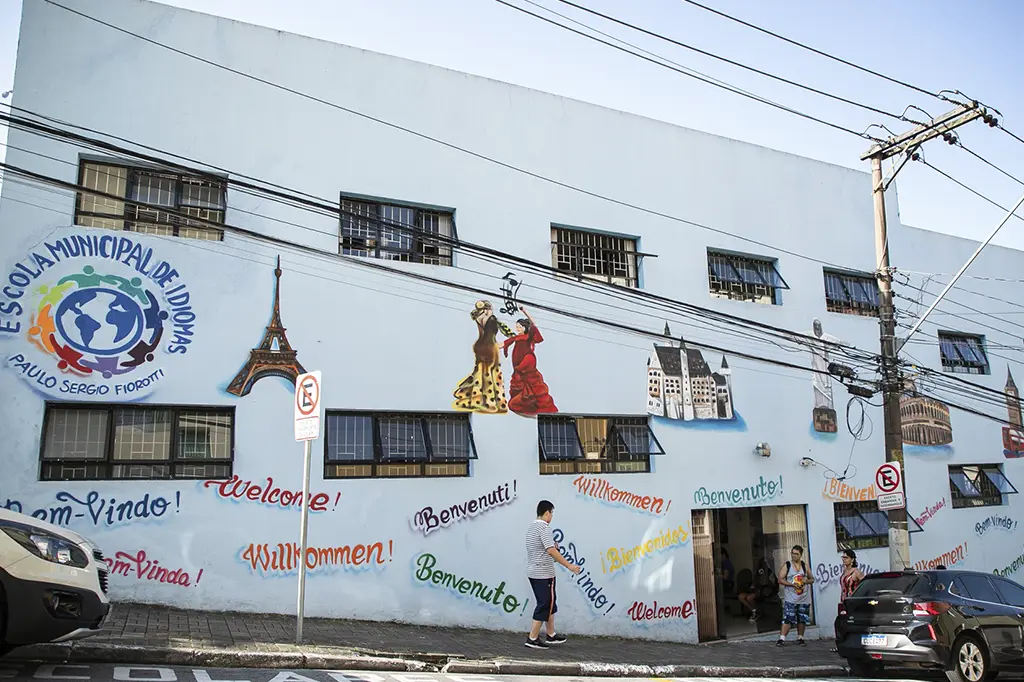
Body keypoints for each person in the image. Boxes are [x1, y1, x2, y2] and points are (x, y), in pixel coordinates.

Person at [524, 500, 581, 649]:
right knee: (544, 604)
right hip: (543, 573)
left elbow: (542, 548)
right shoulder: (544, 528)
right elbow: (550, 550)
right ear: (547, 512)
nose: (552, 516)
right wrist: (569, 565)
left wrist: (552, 546)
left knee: (550, 603)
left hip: (534, 571)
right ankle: (532, 638)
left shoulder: (532, 527)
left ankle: (551, 635)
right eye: (552, 513)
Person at [453, 300, 514, 414]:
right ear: (487, 310)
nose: (492, 311)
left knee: (480, 372)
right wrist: (505, 343)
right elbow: (509, 332)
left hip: (479, 346)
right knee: (492, 374)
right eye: (490, 309)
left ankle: (477, 399)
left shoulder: (477, 318)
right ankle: (491, 402)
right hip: (490, 347)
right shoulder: (492, 320)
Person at [502, 306, 558, 415]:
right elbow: (505, 343)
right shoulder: (516, 338)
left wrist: (524, 312)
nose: (517, 329)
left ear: (524, 328)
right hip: (519, 369)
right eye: (516, 327)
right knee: (521, 392)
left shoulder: (528, 337)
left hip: (527, 365)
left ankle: (537, 408)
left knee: (533, 389)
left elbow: (533, 324)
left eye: (519, 327)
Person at [777, 544, 814, 646]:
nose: (794, 556)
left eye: (796, 554)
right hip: (791, 598)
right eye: (792, 553)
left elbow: (812, 579)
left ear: (800, 555)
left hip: (803, 597)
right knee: (788, 618)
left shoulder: (804, 566)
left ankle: (800, 637)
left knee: (802, 618)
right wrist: (791, 585)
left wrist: (805, 581)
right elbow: (780, 579)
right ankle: (782, 638)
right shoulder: (787, 565)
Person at [833, 549, 864, 651]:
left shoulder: (856, 572)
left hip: (852, 601)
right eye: (843, 557)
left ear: (852, 559)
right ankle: (841, 643)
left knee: (850, 622)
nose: (844, 560)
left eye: (846, 558)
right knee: (840, 622)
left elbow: (864, 584)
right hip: (843, 600)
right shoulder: (844, 571)